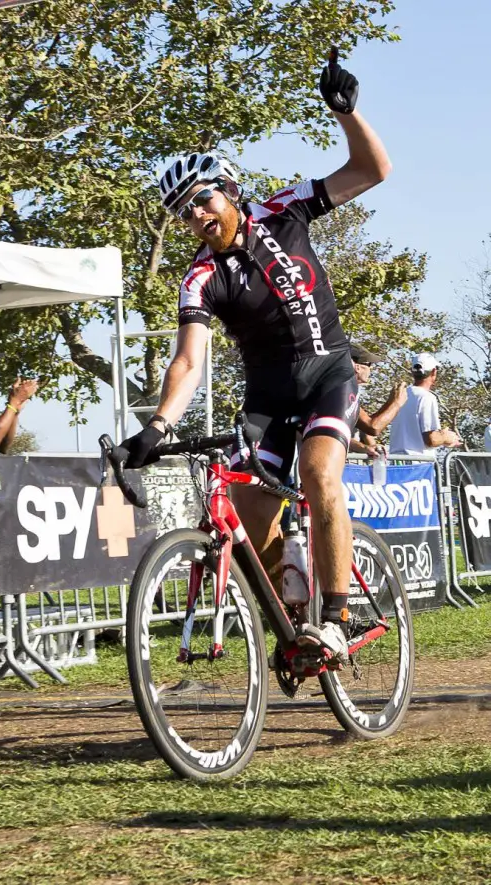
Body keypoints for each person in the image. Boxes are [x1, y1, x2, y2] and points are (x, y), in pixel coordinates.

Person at [119, 52, 391, 667]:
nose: (196, 216)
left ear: (230, 191)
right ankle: (296, 625)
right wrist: (157, 425)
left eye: (202, 200)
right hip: (268, 397)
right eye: (183, 211)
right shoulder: (200, 277)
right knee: (249, 511)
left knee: (322, 475)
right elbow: (188, 362)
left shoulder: (284, 209)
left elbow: (373, 169)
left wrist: (346, 114)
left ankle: (338, 618)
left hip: (327, 375)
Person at [389, 353, 461, 455]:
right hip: (418, 464)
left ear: (412, 372)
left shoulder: (401, 394)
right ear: (434, 372)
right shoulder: (427, 397)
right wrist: (446, 437)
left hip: (397, 462)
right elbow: (431, 439)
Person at [349, 342, 407, 456]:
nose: (371, 369)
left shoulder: (348, 391)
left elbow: (340, 435)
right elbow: (373, 427)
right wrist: (396, 403)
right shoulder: (340, 391)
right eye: (369, 364)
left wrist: (366, 448)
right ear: (358, 367)